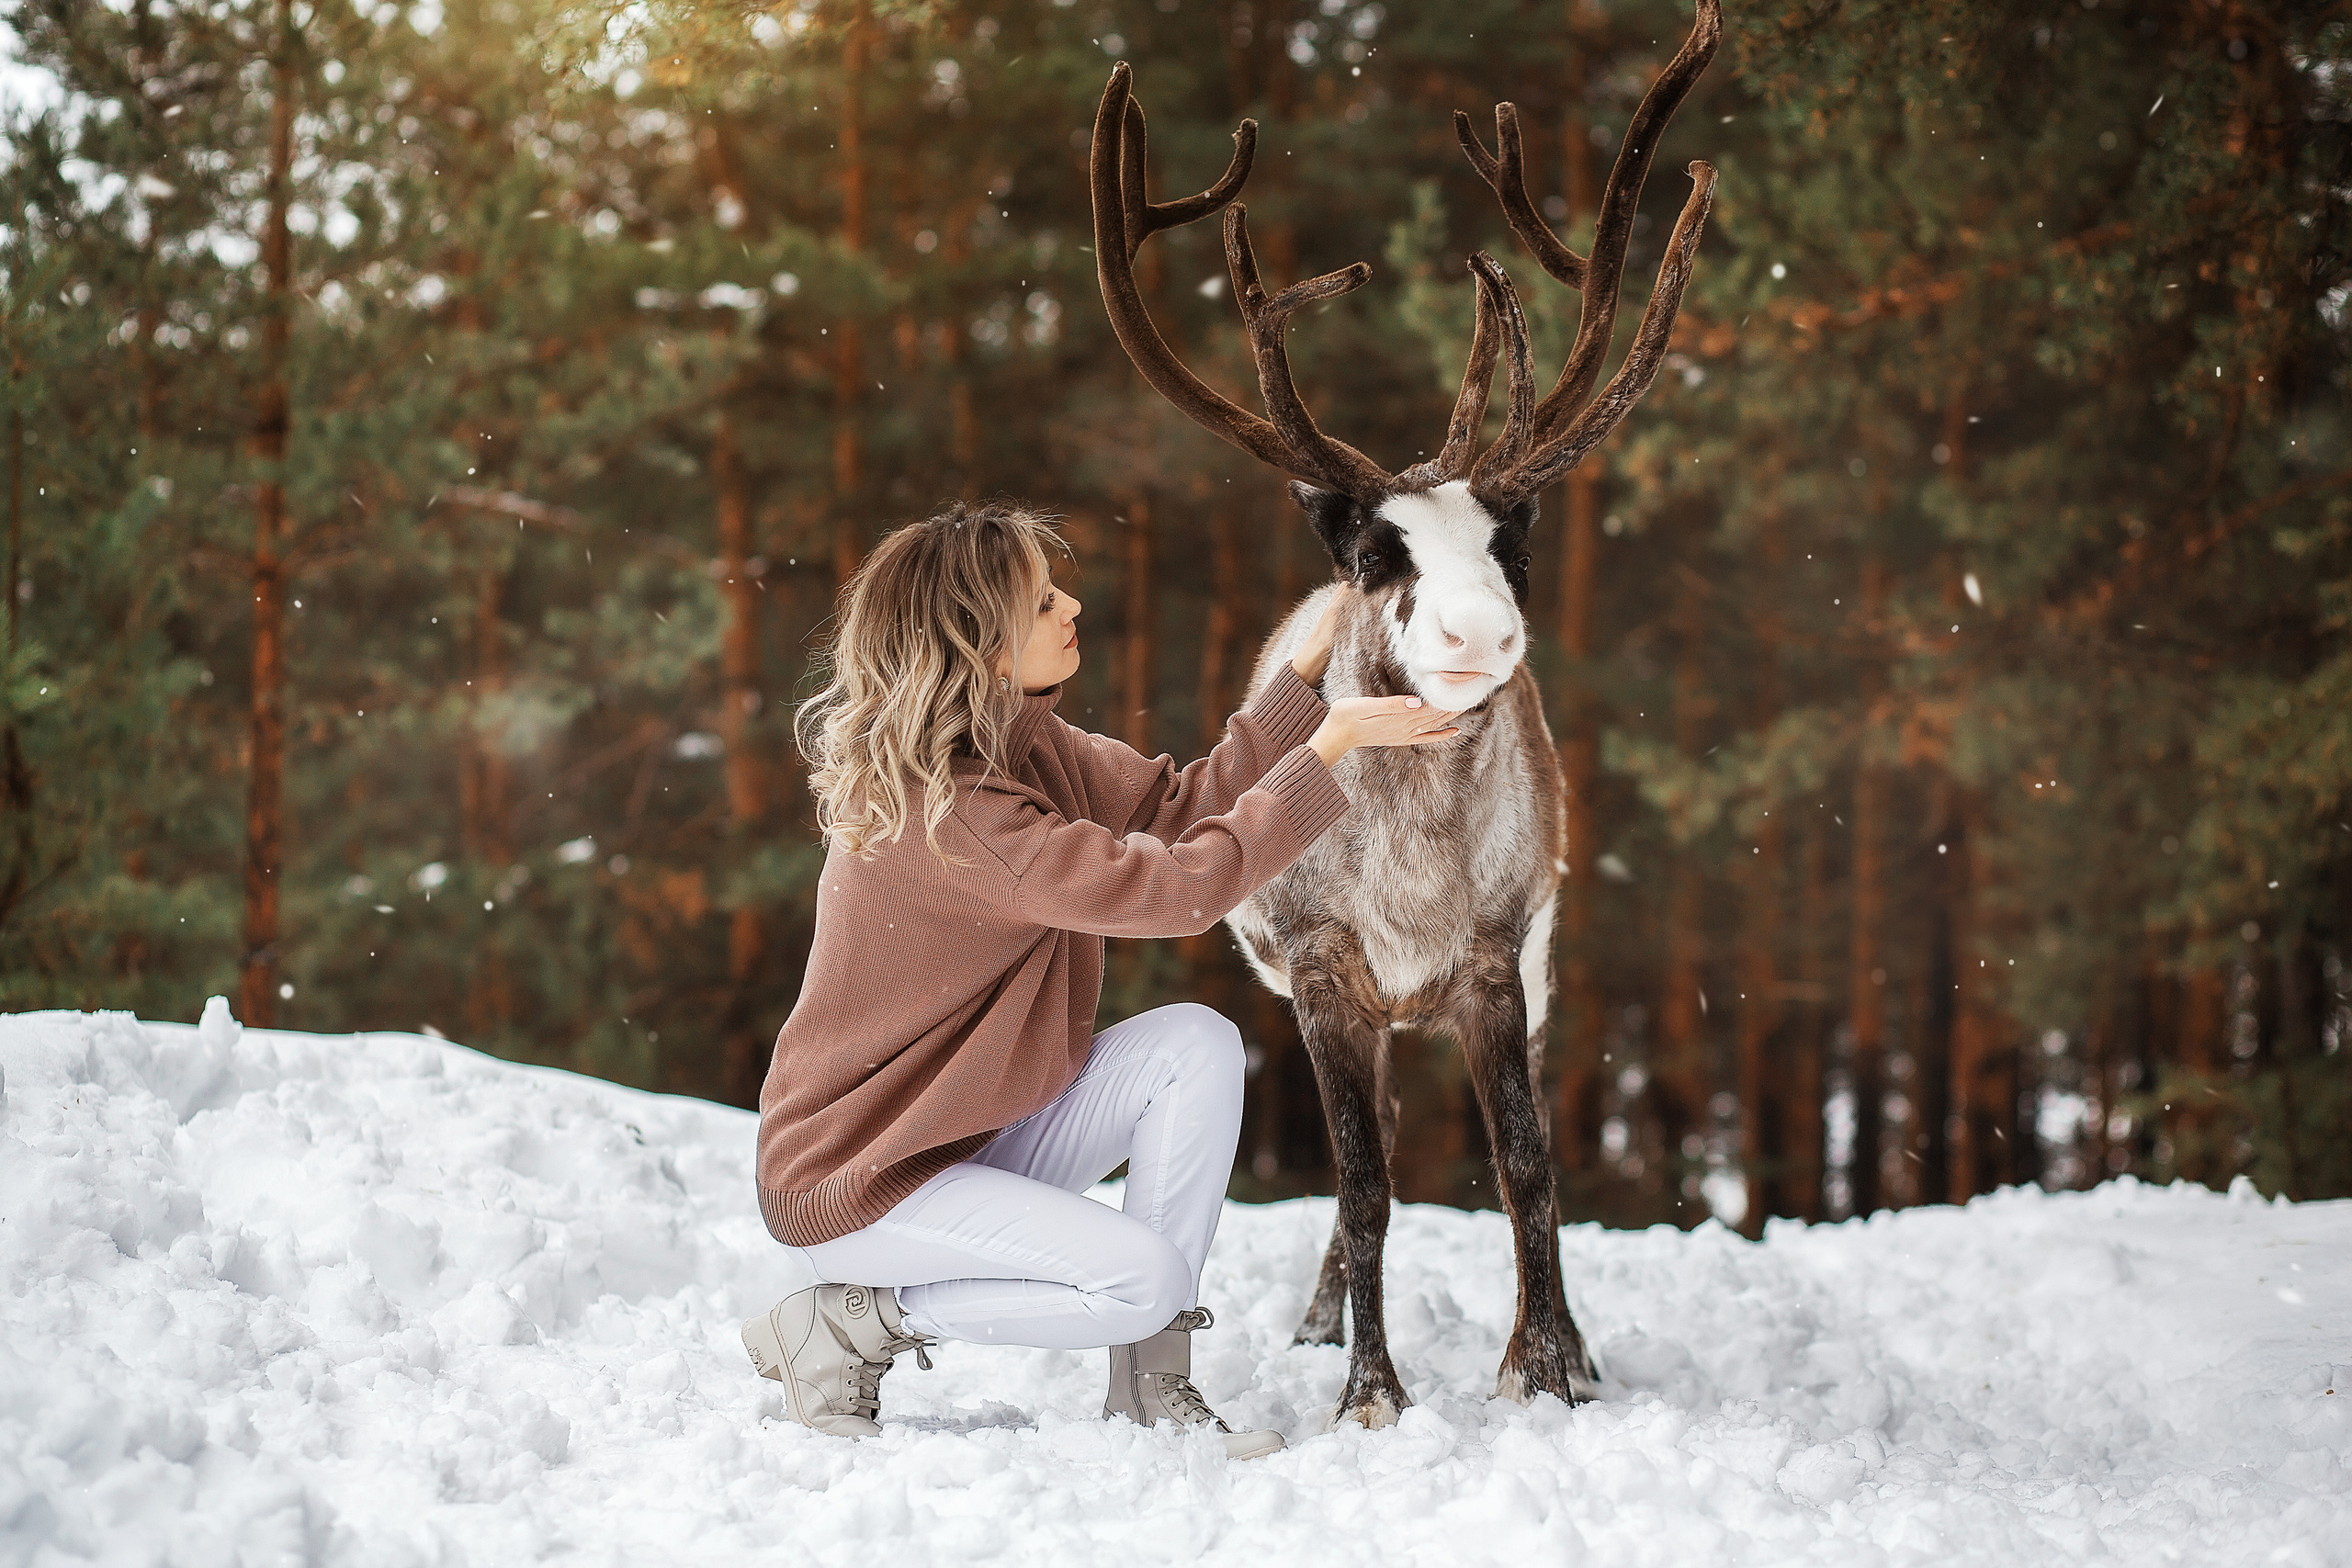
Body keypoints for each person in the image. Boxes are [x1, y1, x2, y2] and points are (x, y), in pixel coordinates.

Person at [742, 502, 1456, 1458]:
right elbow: (1178, 889)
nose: (1071, 604)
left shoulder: (1025, 745)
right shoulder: (956, 815)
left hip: (956, 1137)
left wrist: (1303, 673)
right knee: (1139, 1280)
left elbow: (1179, 806)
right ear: (981, 643)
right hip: (861, 1182)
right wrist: (1329, 747)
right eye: (1042, 602)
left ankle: (1150, 1393)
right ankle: (848, 1322)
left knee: (1192, 1045)